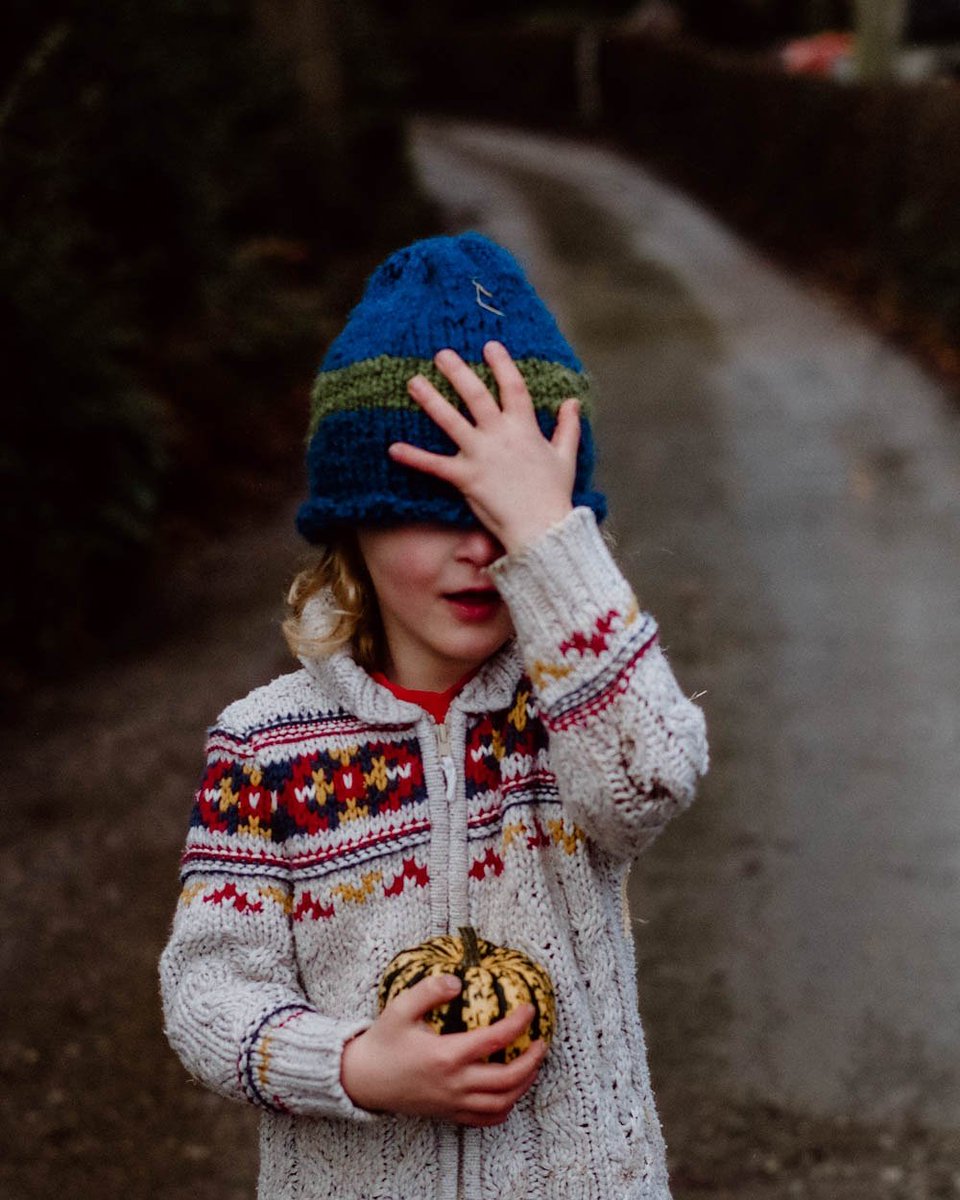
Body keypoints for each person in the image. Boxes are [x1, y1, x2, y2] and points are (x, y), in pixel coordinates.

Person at [159, 231, 709, 1200]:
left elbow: (652, 778)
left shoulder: (568, 711)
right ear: (353, 524)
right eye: (433, 505)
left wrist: (549, 541)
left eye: (501, 514)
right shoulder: (265, 749)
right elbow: (207, 992)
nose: (476, 550)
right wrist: (353, 1066)